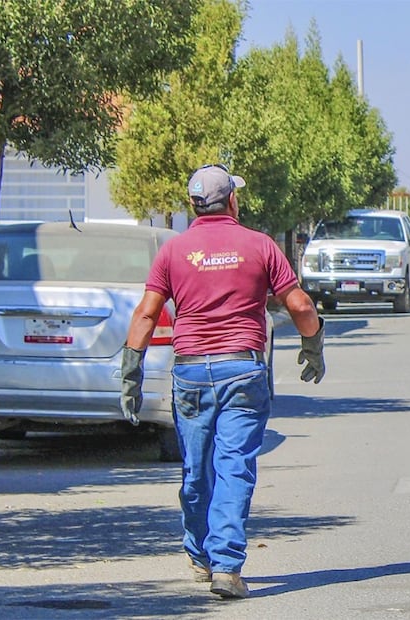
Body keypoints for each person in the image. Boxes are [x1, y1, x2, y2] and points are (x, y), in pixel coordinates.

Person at [120, 164, 325, 600]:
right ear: (232, 200)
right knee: (234, 466)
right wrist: (314, 345)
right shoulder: (260, 245)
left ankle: (200, 554)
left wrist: (131, 372)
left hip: (191, 371)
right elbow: (301, 305)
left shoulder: (174, 251)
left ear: (194, 205)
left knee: (197, 470)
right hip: (242, 371)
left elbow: (146, 313)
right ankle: (227, 567)